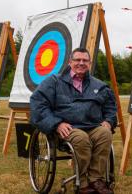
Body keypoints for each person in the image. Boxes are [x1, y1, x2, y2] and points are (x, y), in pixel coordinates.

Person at [30, 48, 117, 194]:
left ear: (89, 63)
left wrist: (109, 121)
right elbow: (38, 104)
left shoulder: (99, 85)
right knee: (81, 138)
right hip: (68, 127)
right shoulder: (53, 82)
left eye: (85, 60)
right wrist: (56, 124)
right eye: (77, 60)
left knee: (104, 134)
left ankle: (96, 179)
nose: (81, 63)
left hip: (93, 126)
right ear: (70, 62)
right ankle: (82, 184)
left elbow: (110, 107)